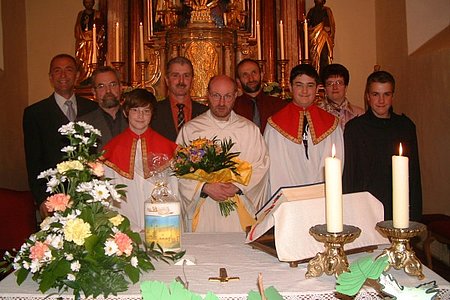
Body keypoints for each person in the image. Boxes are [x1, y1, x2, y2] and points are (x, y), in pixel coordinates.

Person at [177, 75, 270, 232]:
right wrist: (204, 187)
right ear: (208, 95)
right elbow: (179, 171)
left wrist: (237, 186)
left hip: (239, 208)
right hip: (203, 209)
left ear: (235, 96)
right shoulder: (191, 130)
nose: (221, 103)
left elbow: (261, 166)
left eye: (227, 96)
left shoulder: (249, 130)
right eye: (216, 96)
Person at [23, 54, 98, 217]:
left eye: (68, 70)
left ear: (77, 75)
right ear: (51, 77)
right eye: (57, 71)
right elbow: (33, 161)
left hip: (90, 195)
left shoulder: (93, 108)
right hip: (55, 196)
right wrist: (42, 198)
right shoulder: (35, 113)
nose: (63, 75)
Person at [343, 71, 422, 221]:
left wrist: (415, 215)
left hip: (397, 206)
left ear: (392, 96)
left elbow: (414, 173)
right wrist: (349, 212)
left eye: (386, 94)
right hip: (365, 207)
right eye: (375, 94)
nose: (381, 100)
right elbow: (349, 175)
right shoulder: (355, 129)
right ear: (367, 96)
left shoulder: (405, 126)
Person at [102, 89, 178, 231]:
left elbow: (173, 191)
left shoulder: (168, 148)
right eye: (135, 110)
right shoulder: (112, 149)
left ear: (152, 114)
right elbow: (111, 197)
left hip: (161, 225)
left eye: (146, 111)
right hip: (126, 226)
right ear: (126, 112)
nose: (141, 116)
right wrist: (131, 228)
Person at [265, 64, 343, 194]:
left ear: (318, 88)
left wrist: (318, 192)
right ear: (290, 87)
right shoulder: (274, 125)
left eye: (310, 85)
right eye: (299, 85)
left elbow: (336, 163)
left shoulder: (331, 124)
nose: (305, 91)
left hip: (321, 196)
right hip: (287, 196)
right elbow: (275, 169)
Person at [151, 56, 208, 141]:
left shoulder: (206, 113)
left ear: (192, 80)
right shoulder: (154, 111)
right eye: (175, 76)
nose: (181, 81)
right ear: (167, 80)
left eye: (186, 76)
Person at [77, 66, 128, 150]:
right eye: (101, 86)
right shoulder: (82, 125)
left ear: (120, 88)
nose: (108, 91)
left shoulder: (136, 118)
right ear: (94, 91)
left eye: (113, 85)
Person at [234, 59, 288, 134]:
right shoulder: (233, 108)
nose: (251, 79)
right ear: (238, 81)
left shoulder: (279, 106)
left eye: (254, 73)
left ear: (261, 75)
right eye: (245, 75)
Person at [318, 63, 364, 129]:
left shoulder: (359, 114)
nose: (335, 87)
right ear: (325, 88)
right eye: (330, 83)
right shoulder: (317, 113)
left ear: (346, 87)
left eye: (339, 83)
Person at [74, 0, 105, 84]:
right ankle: (83, 79)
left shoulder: (98, 14)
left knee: (94, 60)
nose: (89, 4)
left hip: (93, 42)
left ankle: (93, 78)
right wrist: (82, 37)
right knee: (83, 63)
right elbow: (77, 28)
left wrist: (96, 37)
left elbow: (102, 28)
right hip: (83, 42)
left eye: (90, 2)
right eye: (87, 2)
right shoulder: (81, 14)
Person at [306, 0, 335, 74]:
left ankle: (324, 74)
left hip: (323, 36)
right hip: (314, 37)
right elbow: (308, 24)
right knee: (314, 58)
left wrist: (327, 27)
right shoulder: (312, 11)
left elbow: (331, 24)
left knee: (324, 56)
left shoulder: (326, 10)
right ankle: (316, 73)